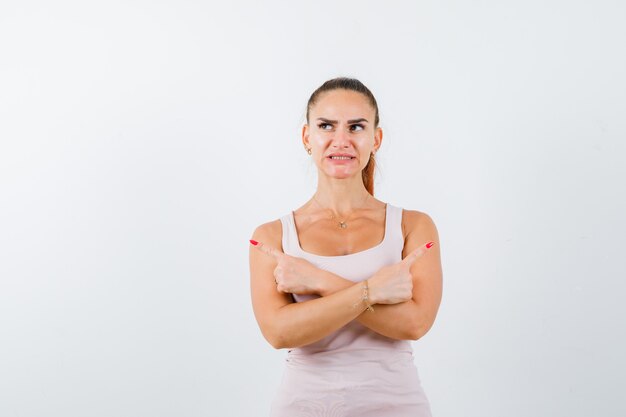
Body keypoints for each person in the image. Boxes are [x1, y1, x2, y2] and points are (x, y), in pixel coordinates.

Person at [248, 77, 443, 416]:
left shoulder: (413, 225)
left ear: (375, 139)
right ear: (307, 137)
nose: (341, 140)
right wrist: (372, 290)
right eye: (326, 125)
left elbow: (414, 324)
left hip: (397, 406)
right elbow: (279, 333)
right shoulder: (273, 236)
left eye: (356, 127)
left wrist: (318, 280)